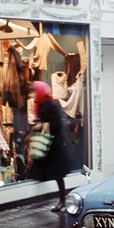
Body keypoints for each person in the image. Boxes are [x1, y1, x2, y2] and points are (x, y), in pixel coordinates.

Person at [27, 81, 74, 212]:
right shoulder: (40, 104)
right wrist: (38, 123)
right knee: (47, 171)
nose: (33, 95)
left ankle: (62, 201)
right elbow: (43, 119)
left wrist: (42, 125)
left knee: (58, 175)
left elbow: (57, 124)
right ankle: (59, 200)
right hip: (46, 142)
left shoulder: (51, 104)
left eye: (34, 92)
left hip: (55, 145)